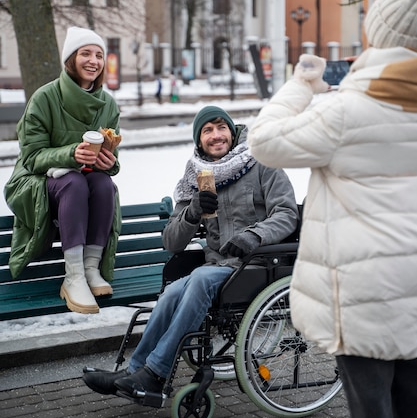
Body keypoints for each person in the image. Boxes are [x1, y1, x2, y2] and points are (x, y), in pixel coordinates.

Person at [247, 0, 417, 418]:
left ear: (379, 37)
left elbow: (264, 141)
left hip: (362, 294)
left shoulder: (345, 112)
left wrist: (301, 86)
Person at [83, 105, 298, 397]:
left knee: (198, 280)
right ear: (199, 141)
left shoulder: (262, 162)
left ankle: (156, 374)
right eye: (207, 130)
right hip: (218, 268)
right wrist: (193, 211)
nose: (216, 135)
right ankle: (135, 371)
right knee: (171, 292)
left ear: (232, 133)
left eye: (221, 127)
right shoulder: (196, 177)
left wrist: (254, 236)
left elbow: (286, 213)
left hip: (258, 264)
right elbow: (171, 242)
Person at [4, 26, 122, 315]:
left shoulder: (108, 104)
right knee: (74, 182)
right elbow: (30, 157)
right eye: (85, 54)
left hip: (82, 181)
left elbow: (111, 155)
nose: (93, 61)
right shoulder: (44, 98)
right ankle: (74, 276)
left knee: (104, 184)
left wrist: (111, 162)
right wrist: (71, 153)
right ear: (71, 58)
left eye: (98, 55)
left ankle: (91, 268)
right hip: (34, 182)